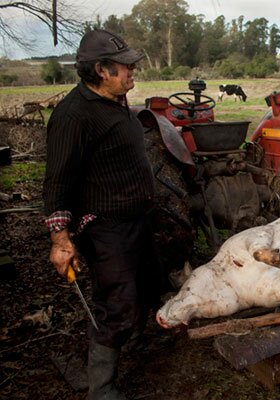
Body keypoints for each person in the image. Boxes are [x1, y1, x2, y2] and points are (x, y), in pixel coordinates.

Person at [43, 29, 166, 399]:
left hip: (137, 219)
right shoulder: (73, 116)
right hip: (105, 228)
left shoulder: (114, 102)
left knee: (147, 285)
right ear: (101, 70)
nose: (132, 73)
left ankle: (137, 339)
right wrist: (60, 240)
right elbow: (57, 182)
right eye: (125, 67)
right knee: (117, 302)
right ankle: (101, 388)